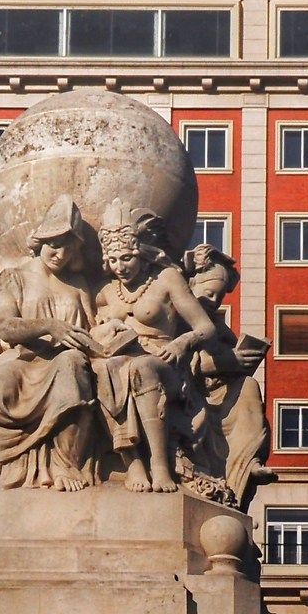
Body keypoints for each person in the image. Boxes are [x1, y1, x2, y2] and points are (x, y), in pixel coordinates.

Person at [0, 198, 101, 491]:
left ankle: (64, 464)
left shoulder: (78, 284)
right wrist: (49, 325)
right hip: (23, 360)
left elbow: (93, 327)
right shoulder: (15, 277)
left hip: (65, 360)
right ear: (40, 242)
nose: (60, 254)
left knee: (72, 366)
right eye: (54, 245)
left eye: (68, 247)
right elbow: (6, 327)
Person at [90, 210, 219, 491]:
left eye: (127, 258)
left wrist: (181, 343)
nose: (120, 267)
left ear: (143, 253)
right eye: (113, 260)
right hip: (117, 361)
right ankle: (133, 461)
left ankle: (159, 466)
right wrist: (105, 331)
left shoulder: (166, 279)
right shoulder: (105, 291)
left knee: (141, 367)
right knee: (100, 370)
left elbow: (205, 328)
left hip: (164, 363)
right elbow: (92, 333)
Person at [181, 243, 273, 507]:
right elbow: (184, 362)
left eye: (220, 297)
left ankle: (249, 461)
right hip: (189, 392)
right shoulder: (178, 317)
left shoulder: (217, 326)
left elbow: (229, 355)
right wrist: (227, 362)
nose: (214, 301)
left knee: (248, 386)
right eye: (210, 293)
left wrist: (241, 359)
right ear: (191, 286)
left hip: (218, 393)